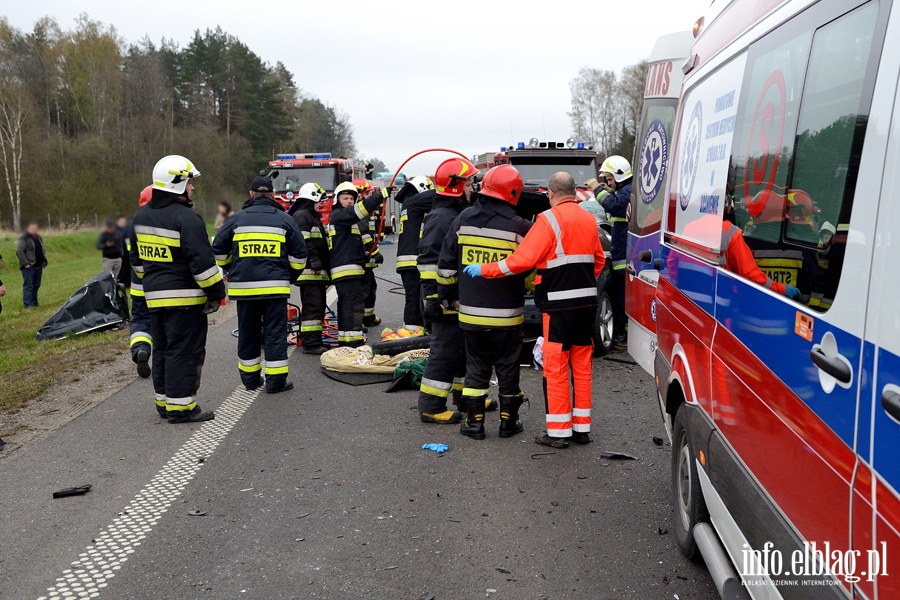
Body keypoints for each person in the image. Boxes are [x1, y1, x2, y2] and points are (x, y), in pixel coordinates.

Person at [466, 172, 605, 448]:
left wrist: (485, 270)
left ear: (551, 194)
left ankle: (558, 432)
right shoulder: (589, 219)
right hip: (588, 303)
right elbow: (598, 260)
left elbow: (521, 261)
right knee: (581, 364)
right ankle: (581, 428)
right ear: (574, 192)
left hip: (557, 305)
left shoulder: (548, 219)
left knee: (555, 367)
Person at [438, 165, 532, 439]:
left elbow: (446, 264)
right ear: (514, 192)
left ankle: (474, 423)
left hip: (470, 316)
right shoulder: (521, 227)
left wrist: (447, 296)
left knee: (476, 367)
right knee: (508, 366)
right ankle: (508, 422)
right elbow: (532, 268)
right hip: (508, 317)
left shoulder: (464, 219)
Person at [130, 155, 226, 423]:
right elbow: (203, 266)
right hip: (186, 301)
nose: (192, 187)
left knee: (161, 350)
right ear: (177, 183)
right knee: (184, 352)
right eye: (189, 182)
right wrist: (217, 293)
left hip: (154, 300)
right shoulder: (187, 218)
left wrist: (155, 283)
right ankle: (182, 408)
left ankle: (164, 403)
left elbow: (137, 262)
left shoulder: (141, 216)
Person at [213, 175, 307, 393]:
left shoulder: (236, 220)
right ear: (272, 194)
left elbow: (218, 250)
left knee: (248, 334)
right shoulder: (284, 220)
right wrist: (288, 275)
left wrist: (233, 268)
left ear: (251, 193)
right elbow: (300, 255)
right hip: (275, 289)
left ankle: (250, 381)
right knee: (275, 334)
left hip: (245, 290)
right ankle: (275, 383)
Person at [417, 157, 483, 424]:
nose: (472, 188)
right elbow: (429, 263)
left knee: (460, 349)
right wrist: (435, 298)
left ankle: (464, 399)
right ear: (455, 186)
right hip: (443, 299)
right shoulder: (442, 218)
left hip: (454, 297)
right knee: (444, 351)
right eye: (468, 183)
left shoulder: (451, 214)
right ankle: (431, 406)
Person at [328, 181, 386, 347]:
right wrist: (379, 196)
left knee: (347, 305)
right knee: (353, 305)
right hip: (346, 269)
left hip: (349, 268)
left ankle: (346, 341)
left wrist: (369, 256)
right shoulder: (340, 215)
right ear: (337, 200)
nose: (349, 201)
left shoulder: (345, 219)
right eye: (345, 198)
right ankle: (353, 343)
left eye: (352, 198)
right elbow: (360, 210)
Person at [289, 182, 331, 354]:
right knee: (313, 308)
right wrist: (313, 259)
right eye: (318, 201)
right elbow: (304, 241)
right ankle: (311, 344)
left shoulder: (310, 216)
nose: (320, 204)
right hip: (310, 272)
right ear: (311, 198)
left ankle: (315, 340)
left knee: (318, 307)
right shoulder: (302, 216)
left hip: (316, 273)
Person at [595, 156, 632, 350]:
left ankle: (625, 337)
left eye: (609, 179)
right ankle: (624, 336)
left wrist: (597, 189)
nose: (608, 183)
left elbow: (612, 205)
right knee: (621, 299)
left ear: (619, 175)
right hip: (621, 255)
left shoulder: (627, 192)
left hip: (624, 259)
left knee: (623, 300)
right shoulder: (625, 191)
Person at [394, 176, 435, 333]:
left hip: (406, 259)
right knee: (414, 298)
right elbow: (436, 197)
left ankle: (416, 328)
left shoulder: (409, 204)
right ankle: (412, 330)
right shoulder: (414, 201)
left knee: (415, 296)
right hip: (412, 259)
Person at [719, 219, 800, 299]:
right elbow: (750, 274)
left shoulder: (711, 229)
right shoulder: (728, 231)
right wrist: (781, 289)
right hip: (726, 299)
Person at [126, 186, 155, 378]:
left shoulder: (132, 224)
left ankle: (140, 349)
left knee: (140, 321)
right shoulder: (165, 220)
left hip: (138, 286)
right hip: (162, 285)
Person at [353, 179, 384, 327]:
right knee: (363, 291)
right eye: (369, 193)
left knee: (371, 287)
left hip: (366, 260)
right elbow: (364, 234)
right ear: (361, 194)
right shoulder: (359, 211)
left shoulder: (363, 210)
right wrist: (375, 253)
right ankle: (356, 322)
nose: (371, 196)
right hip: (361, 259)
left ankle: (368, 317)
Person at [16, 222, 47, 309]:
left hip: (38, 265)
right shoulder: (23, 239)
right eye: (33, 228)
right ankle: (27, 305)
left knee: (36, 285)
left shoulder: (38, 237)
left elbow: (42, 248)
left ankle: (34, 302)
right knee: (28, 286)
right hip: (29, 267)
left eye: (36, 228)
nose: (35, 230)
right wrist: (25, 263)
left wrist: (43, 259)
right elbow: (19, 251)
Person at [115, 214, 131, 290]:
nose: (123, 223)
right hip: (119, 253)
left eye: (124, 221)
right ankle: (119, 283)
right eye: (121, 221)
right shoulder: (115, 231)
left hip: (127, 252)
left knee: (127, 268)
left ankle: (127, 283)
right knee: (120, 269)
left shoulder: (127, 229)